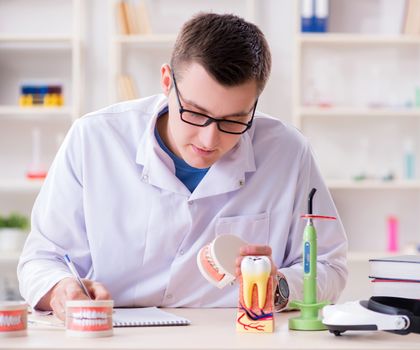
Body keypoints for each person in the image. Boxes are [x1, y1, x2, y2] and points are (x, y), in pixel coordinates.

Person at [17, 12, 348, 320]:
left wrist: (278, 288)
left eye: (234, 120)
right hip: (115, 335)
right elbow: (42, 258)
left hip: (235, 337)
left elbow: (329, 265)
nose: (209, 139)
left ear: (254, 105)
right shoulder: (94, 139)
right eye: (195, 112)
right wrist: (62, 290)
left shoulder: (288, 152)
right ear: (166, 81)